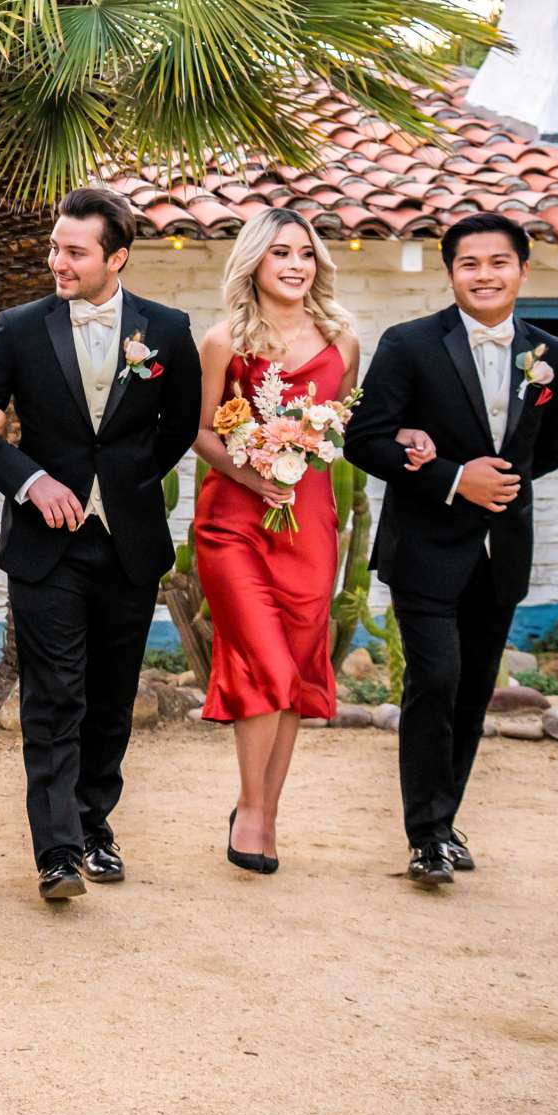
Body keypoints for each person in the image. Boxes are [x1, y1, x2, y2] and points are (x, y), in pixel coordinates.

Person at [0, 187, 202, 901]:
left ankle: (95, 823)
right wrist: (32, 482)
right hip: (44, 546)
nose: (57, 262)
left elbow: (179, 426)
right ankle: (57, 850)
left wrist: (120, 487)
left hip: (127, 543)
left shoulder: (168, 329)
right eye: (56, 248)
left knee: (110, 698)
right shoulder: (20, 327)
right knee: (54, 696)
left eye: (74, 252)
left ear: (115, 257)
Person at [345, 213, 558, 888]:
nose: (485, 274)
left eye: (498, 262)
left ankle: (444, 823)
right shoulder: (412, 344)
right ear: (451, 274)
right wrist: (450, 478)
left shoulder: (549, 353)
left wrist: (502, 485)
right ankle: (427, 837)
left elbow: (552, 444)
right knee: (436, 678)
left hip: (502, 546)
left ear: (523, 271)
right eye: (469, 264)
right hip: (423, 544)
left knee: (474, 690)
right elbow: (367, 440)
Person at [189, 209, 359, 874]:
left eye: (306, 254)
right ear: (255, 262)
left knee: (294, 668)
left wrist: (304, 449)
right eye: (280, 253)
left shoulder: (343, 341)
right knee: (264, 661)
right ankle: (252, 810)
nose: (295, 265)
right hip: (234, 518)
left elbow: (339, 428)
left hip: (309, 519)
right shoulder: (223, 339)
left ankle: (266, 812)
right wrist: (250, 469)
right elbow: (201, 431)